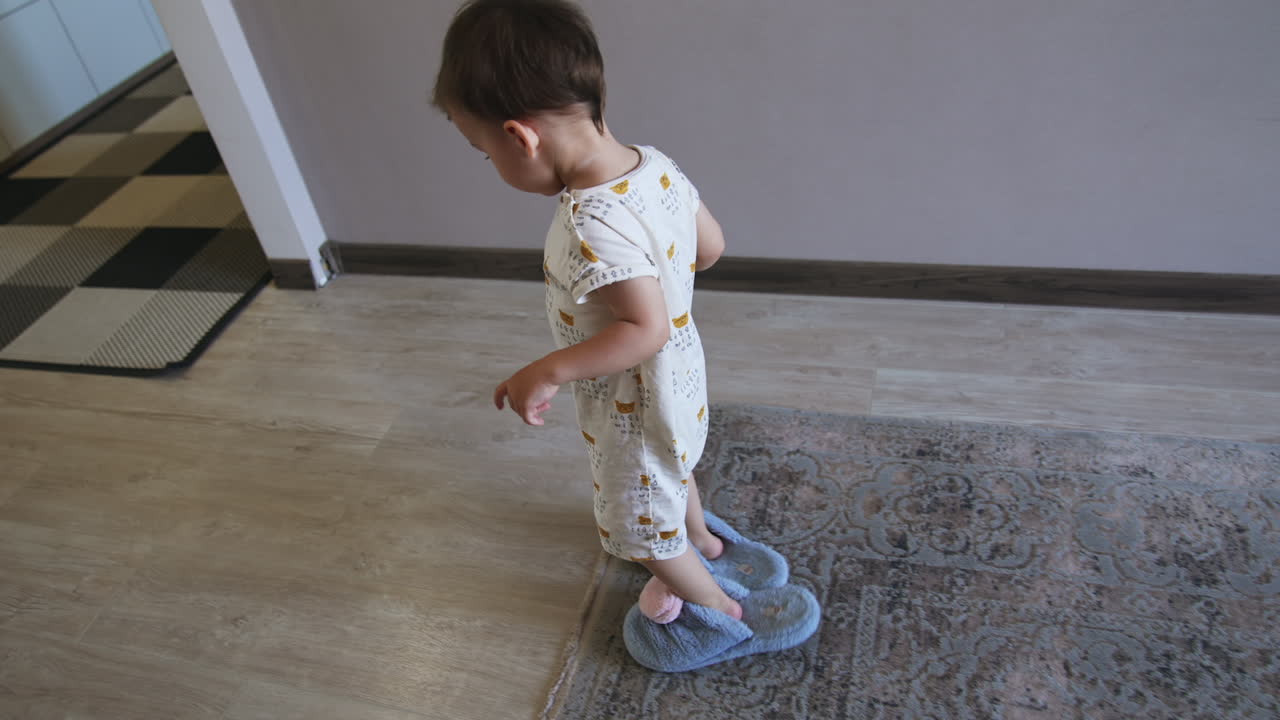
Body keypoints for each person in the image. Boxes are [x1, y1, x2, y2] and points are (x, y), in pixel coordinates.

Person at [433, 0, 738, 620]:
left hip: (636, 397)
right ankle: (703, 540)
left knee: (640, 520)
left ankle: (716, 611)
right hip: (682, 380)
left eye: (485, 151)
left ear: (521, 136)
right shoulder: (656, 167)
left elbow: (642, 329)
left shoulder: (589, 222)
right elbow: (711, 250)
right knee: (668, 470)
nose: (492, 162)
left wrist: (547, 370)